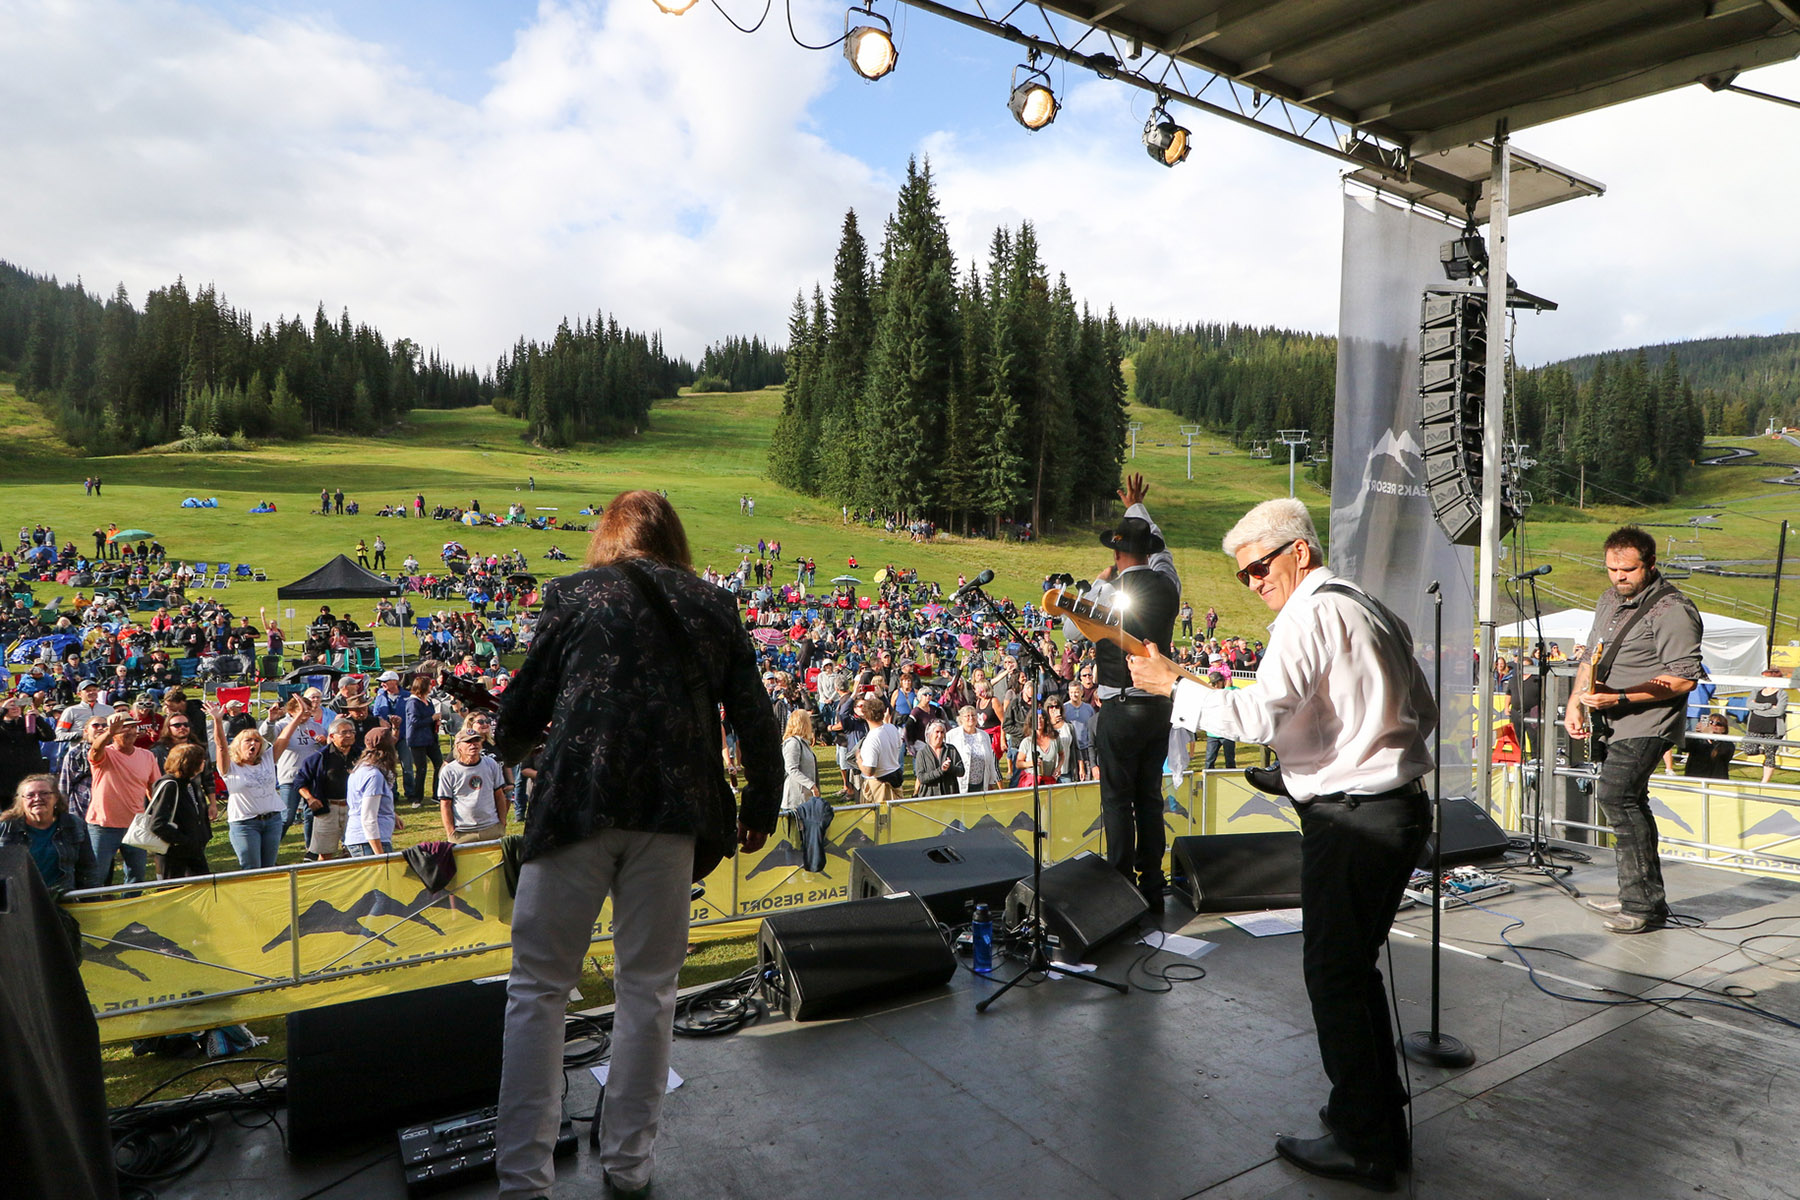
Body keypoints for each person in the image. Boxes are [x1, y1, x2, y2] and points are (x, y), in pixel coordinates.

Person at [1128, 496, 1436, 1192]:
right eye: (1242, 576)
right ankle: (1372, 1117)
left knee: (1333, 976)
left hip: (1354, 820)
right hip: (1394, 810)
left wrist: (1176, 686)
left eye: (1260, 567)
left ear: (1301, 550)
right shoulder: (1365, 605)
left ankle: (1366, 1146)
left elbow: (1261, 714)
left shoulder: (1309, 613)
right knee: (1352, 972)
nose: (1253, 583)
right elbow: (1419, 704)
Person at [491, 489, 779, 1200]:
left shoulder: (572, 594)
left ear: (607, 536)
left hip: (576, 809)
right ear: (673, 537)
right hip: (670, 819)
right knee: (649, 992)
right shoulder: (713, 604)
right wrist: (761, 804)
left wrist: (514, 737)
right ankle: (629, 1164)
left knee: (538, 991)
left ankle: (523, 1180)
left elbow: (519, 715)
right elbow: (755, 716)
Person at [1565, 526, 1703, 935]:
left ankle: (1643, 906)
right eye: (1611, 569)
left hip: (1648, 720)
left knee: (1616, 795)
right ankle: (1635, 896)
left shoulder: (1674, 609)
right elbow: (1591, 657)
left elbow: (1683, 679)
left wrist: (1620, 698)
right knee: (1628, 802)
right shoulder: (1609, 599)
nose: (1618, 577)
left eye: (1627, 570)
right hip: (1610, 719)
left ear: (1651, 564)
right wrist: (1575, 701)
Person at [1074, 472, 1181, 910]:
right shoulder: (1168, 584)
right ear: (1148, 553)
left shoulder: (1106, 592)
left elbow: (1069, 625)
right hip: (1159, 705)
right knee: (1149, 797)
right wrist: (1137, 508)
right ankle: (1153, 883)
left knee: (1117, 799)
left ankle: (1120, 886)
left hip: (1119, 704)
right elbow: (1163, 550)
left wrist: (1097, 582)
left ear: (1117, 554)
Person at [209, 702, 300, 870]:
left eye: (257, 741)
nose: (253, 744)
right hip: (245, 824)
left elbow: (284, 738)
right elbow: (221, 746)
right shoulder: (230, 767)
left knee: (269, 868)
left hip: (272, 820)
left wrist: (297, 718)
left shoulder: (267, 758)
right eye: (248, 740)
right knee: (251, 869)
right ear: (238, 745)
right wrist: (217, 721)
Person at [83, 710, 164, 888]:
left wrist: (158, 816)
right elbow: (96, 749)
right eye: (123, 728)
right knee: (97, 876)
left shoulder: (148, 756)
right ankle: (97, 910)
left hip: (135, 824)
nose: (129, 732)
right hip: (103, 826)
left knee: (137, 876)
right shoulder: (105, 754)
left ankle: (129, 911)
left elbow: (154, 790)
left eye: (133, 727)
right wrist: (109, 732)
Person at [0, 775, 94, 896]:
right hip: (19, 902)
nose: (37, 798)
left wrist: (91, 900)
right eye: (30, 795)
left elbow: (88, 869)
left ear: (56, 797)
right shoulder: (6, 828)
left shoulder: (74, 825)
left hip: (62, 901)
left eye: (44, 793)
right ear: (21, 801)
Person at [145, 744, 214, 879]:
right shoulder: (170, 785)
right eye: (200, 760)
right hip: (173, 854)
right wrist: (184, 841)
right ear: (190, 763)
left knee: (203, 888)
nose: (204, 763)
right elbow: (158, 823)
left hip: (193, 851)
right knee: (173, 892)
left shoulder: (190, 783)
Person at [295, 719, 359, 860]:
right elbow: (300, 781)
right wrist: (310, 798)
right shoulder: (319, 758)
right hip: (328, 809)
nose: (349, 735)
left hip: (354, 809)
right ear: (332, 736)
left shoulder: (361, 755)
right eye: (344, 732)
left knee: (356, 850)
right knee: (324, 853)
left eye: (351, 732)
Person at [437, 729, 509, 843]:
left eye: (477, 740)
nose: (473, 744)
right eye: (468, 742)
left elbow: (499, 795)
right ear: (458, 746)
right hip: (463, 832)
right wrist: (451, 832)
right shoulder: (449, 771)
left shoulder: (491, 764)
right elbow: (445, 804)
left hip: (491, 828)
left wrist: (502, 822)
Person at [343, 728, 400, 857]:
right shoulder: (374, 775)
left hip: (364, 839)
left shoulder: (361, 768)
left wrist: (393, 815)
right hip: (368, 842)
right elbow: (368, 817)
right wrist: (380, 855)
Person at [857, 694, 906, 805]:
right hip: (895, 777)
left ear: (865, 715)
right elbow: (898, 745)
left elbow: (869, 771)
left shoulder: (872, 739)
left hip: (879, 786)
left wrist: (858, 759)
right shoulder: (892, 728)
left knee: (878, 819)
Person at [1745, 667, 1791, 785]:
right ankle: (1763, 751)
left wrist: (1758, 707)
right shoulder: (1757, 690)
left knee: (1770, 755)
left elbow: (1779, 711)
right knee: (1749, 749)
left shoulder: (1782, 694)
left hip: (1772, 728)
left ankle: (1764, 782)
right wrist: (1768, 706)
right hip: (1755, 725)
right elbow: (1749, 704)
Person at [401, 674, 442, 804]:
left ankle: (437, 794)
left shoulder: (428, 701)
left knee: (439, 765)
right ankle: (417, 797)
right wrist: (432, 719)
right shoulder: (413, 702)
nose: (432, 686)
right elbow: (414, 721)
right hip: (417, 740)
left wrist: (436, 723)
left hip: (430, 738)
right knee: (421, 769)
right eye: (430, 684)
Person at [948, 704, 999, 793]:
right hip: (960, 783)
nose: (971, 718)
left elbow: (990, 759)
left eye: (973, 715)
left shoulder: (984, 735)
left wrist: (991, 780)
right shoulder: (952, 735)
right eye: (967, 716)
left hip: (981, 782)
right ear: (961, 719)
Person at [780, 710, 821, 814]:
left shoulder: (803, 743)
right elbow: (791, 769)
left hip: (806, 799)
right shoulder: (793, 743)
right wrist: (811, 785)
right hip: (795, 801)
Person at [913, 719, 965, 797]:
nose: (940, 735)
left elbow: (961, 771)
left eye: (942, 732)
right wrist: (940, 770)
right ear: (930, 734)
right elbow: (922, 778)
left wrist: (950, 767)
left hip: (950, 796)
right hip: (929, 798)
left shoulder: (951, 749)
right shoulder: (922, 753)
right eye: (937, 732)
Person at [1682, 713, 1734, 779]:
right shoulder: (1697, 740)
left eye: (1718, 724)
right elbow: (1684, 747)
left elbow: (1723, 752)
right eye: (1711, 722)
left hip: (1716, 781)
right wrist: (1694, 733)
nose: (1714, 725)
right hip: (1694, 779)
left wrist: (1710, 735)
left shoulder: (1728, 744)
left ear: (1724, 729)